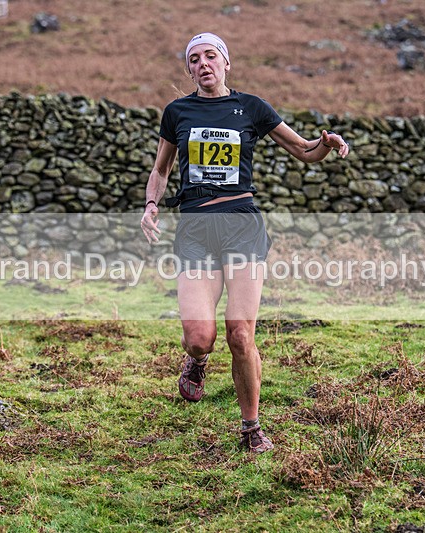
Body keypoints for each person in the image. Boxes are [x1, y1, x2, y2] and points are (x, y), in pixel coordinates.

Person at [140, 32, 350, 453]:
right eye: (194, 59)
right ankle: (197, 362)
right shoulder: (177, 112)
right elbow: (161, 170)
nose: (203, 63)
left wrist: (325, 145)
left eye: (211, 56)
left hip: (241, 226)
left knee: (240, 334)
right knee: (199, 336)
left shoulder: (251, 107)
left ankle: (251, 428)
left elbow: (303, 150)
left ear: (226, 63)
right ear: (189, 69)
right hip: (196, 229)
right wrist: (150, 204)